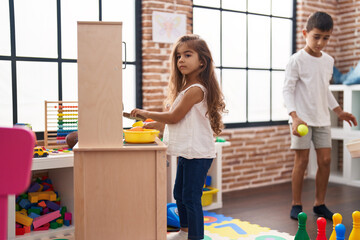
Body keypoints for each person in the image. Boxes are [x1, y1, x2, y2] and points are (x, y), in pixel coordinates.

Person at [130, 34, 227, 240]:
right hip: (188, 151)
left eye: (187, 55)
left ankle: (195, 237)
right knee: (179, 195)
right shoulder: (184, 90)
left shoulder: (196, 90)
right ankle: (184, 232)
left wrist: (146, 112)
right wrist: (148, 125)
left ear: (202, 61)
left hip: (198, 153)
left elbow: (173, 117)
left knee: (191, 198)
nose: (180, 60)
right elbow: (176, 122)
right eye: (178, 56)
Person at [283, 11, 358, 220]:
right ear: (305, 33)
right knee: (302, 161)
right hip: (302, 120)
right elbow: (287, 90)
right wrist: (294, 116)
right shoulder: (296, 61)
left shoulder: (328, 61)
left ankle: (319, 203)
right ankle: (296, 204)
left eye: (326, 38)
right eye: (316, 36)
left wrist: (339, 111)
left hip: (322, 119)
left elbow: (324, 89)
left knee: (325, 160)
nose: (321, 42)